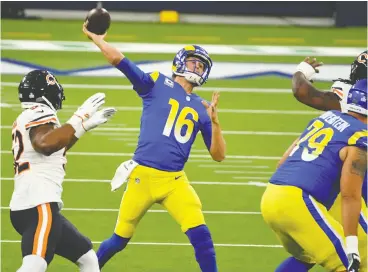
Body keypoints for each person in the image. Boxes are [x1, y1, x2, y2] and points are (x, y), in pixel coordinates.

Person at [82, 22, 226, 271]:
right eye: (194, 62)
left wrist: (215, 123)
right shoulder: (157, 83)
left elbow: (218, 156)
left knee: (202, 237)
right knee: (118, 240)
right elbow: (121, 62)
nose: (198, 68)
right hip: (143, 176)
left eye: (202, 66)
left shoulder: (203, 108)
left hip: (174, 181)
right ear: (180, 62)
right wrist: (97, 39)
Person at [10, 70, 116, 272]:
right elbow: (45, 145)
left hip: (30, 204)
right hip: (39, 204)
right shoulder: (41, 113)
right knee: (34, 265)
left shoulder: (27, 115)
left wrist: (83, 127)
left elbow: (55, 150)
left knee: (87, 258)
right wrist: (79, 117)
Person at [261, 78, 367, 272]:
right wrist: (351, 247)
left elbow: (282, 162)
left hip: (271, 196)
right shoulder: (360, 137)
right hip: (298, 202)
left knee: (306, 256)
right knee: (351, 266)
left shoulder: (327, 117)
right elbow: (350, 195)